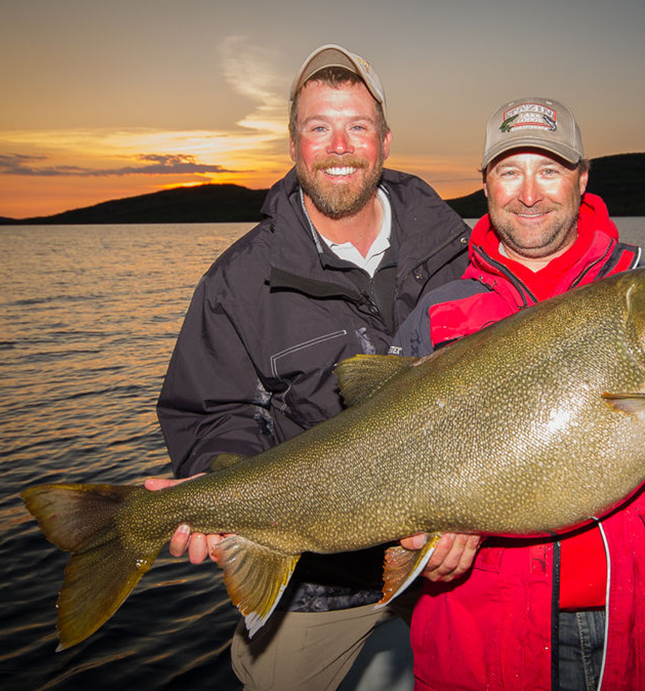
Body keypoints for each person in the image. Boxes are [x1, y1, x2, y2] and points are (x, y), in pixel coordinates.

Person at [392, 97, 645, 690]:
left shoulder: (642, 287)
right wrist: (419, 538)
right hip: (488, 639)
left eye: (549, 170)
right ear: (486, 186)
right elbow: (380, 465)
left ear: (582, 178)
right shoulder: (438, 311)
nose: (530, 193)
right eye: (509, 172)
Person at [148, 44, 470, 690]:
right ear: (293, 145)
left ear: (383, 140)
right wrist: (222, 490)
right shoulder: (235, 282)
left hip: (456, 559)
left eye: (356, 126)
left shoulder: (457, 250)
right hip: (316, 587)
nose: (339, 146)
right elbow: (211, 413)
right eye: (318, 127)